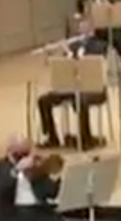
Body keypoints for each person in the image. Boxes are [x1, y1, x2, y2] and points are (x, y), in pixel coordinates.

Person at [36, 14, 110, 148]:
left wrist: (70, 54)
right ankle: (52, 137)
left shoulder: (100, 45)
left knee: (81, 100)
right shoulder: (74, 45)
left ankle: (86, 139)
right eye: (81, 30)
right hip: (72, 87)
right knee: (43, 100)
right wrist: (55, 52)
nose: (83, 33)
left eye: (86, 29)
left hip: (94, 88)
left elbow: (91, 64)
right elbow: (66, 69)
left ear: (92, 30)